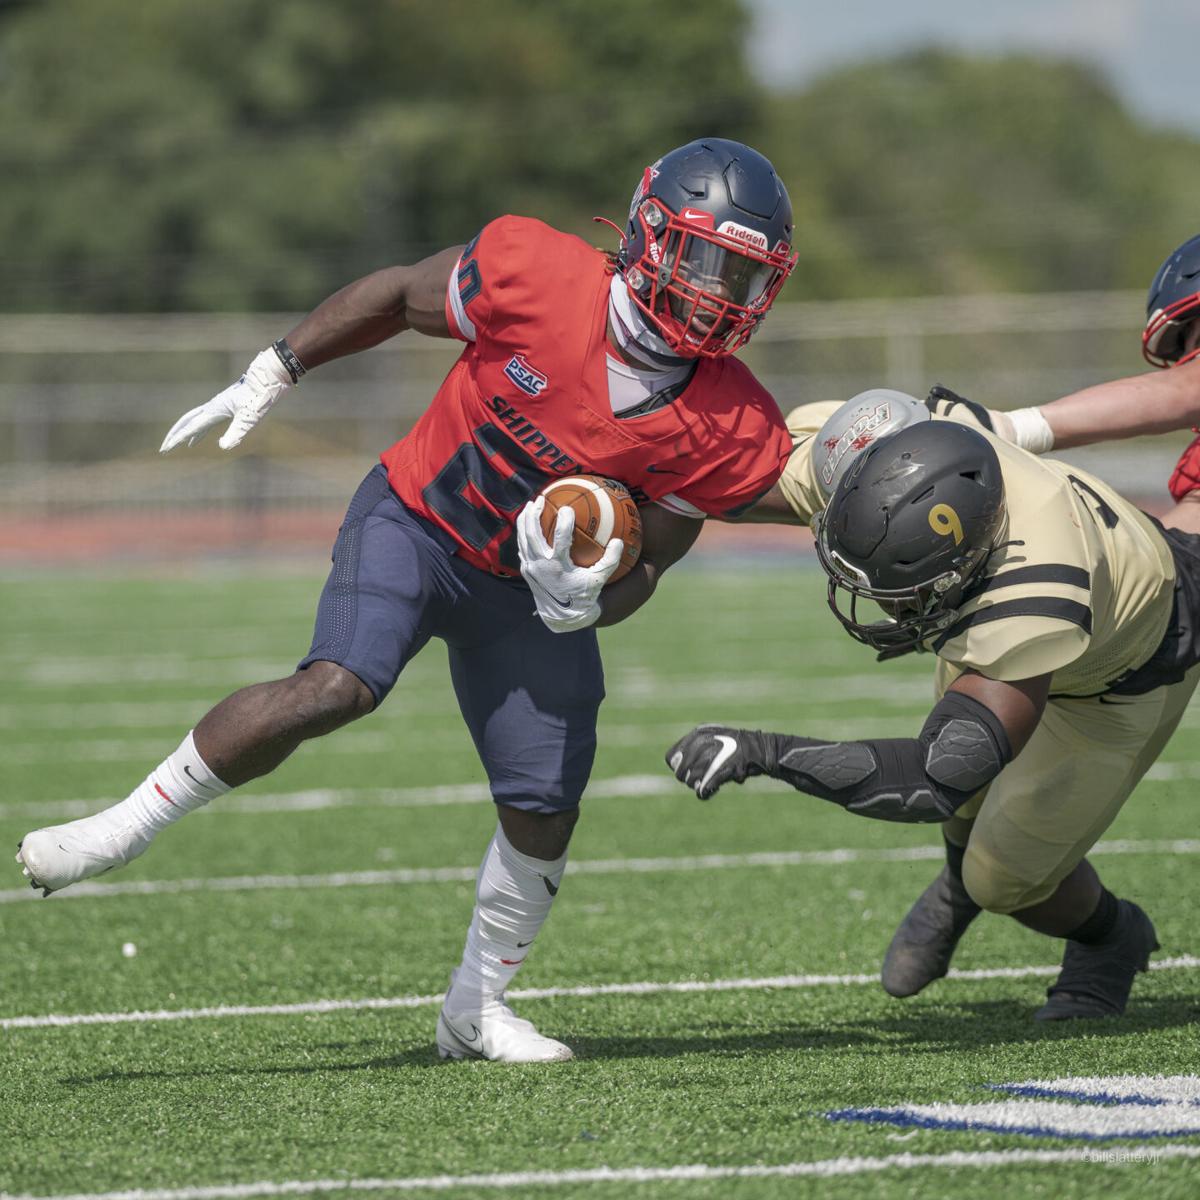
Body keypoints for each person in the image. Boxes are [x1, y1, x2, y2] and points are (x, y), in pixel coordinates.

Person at [15, 138, 799, 1063]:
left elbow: (654, 560)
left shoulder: (733, 420)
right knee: (337, 685)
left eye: (743, 277)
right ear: (650, 235)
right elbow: (394, 295)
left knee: (546, 804)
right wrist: (277, 367)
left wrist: (587, 603)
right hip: (417, 522)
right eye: (706, 261)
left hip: (522, 598)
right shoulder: (536, 272)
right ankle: (125, 827)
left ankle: (476, 1009)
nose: (718, 293)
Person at [668, 379, 1200, 1020]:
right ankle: (956, 886)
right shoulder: (889, 447)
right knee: (969, 816)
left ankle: (1111, 936)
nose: (887, 605)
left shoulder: (1033, 597)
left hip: (1120, 675)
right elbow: (745, 485)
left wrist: (767, 753)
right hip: (1081, 570)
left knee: (1003, 878)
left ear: (970, 562)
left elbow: (935, 777)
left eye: (904, 586)